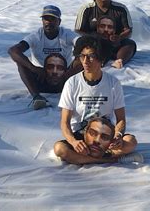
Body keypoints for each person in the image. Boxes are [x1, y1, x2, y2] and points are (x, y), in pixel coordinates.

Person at [53, 35, 141, 165]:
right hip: (81, 136)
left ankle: (85, 160)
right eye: (82, 56)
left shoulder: (113, 83)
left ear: (102, 60)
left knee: (131, 142)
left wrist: (118, 135)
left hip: (105, 136)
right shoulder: (72, 83)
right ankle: (110, 159)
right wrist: (73, 141)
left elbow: (121, 119)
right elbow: (64, 122)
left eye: (91, 56)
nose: (86, 61)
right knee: (60, 149)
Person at [8, 5, 81, 110]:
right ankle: (37, 97)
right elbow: (13, 51)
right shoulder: (36, 36)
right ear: (42, 21)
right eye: (45, 19)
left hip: (64, 80)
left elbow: (83, 44)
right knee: (21, 62)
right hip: (41, 79)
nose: (48, 22)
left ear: (59, 22)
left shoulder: (66, 34)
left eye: (52, 19)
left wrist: (67, 74)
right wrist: (34, 68)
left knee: (84, 58)